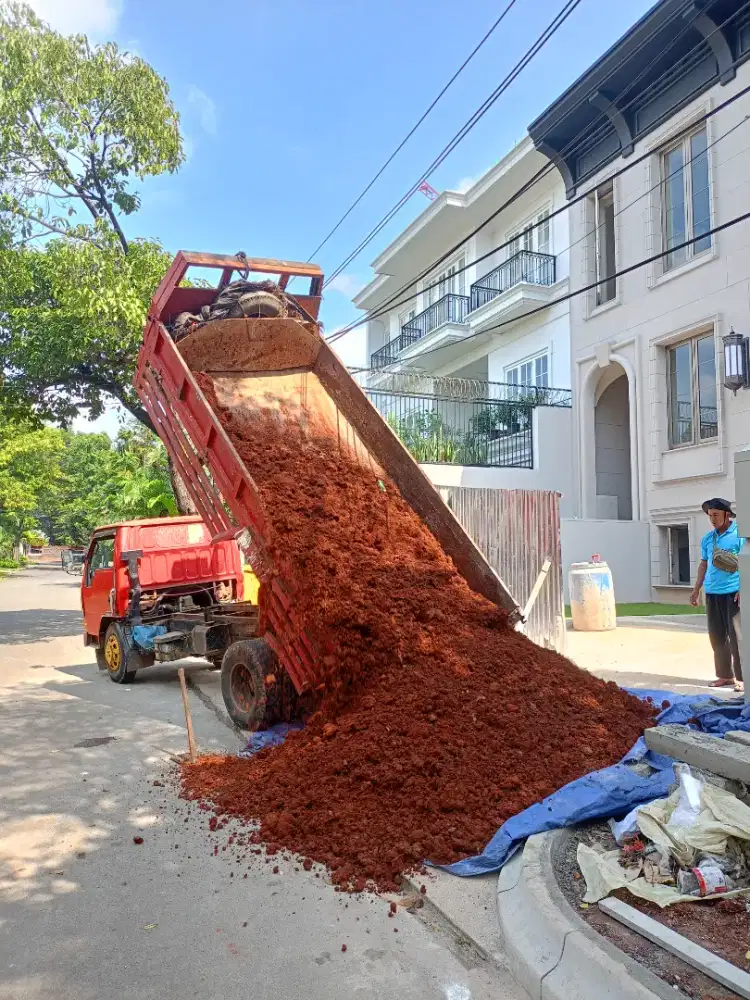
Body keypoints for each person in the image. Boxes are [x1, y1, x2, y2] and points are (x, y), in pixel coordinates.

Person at [690, 498, 744, 691]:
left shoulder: (740, 534)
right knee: (717, 636)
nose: (712, 519)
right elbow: (704, 564)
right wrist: (697, 589)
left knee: (738, 637)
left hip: (733, 593)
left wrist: (744, 588)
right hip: (712, 593)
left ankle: (743, 678)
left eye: (715, 515)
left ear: (727, 514)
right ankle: (725, 675)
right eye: (710, 515)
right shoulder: (707, 538)